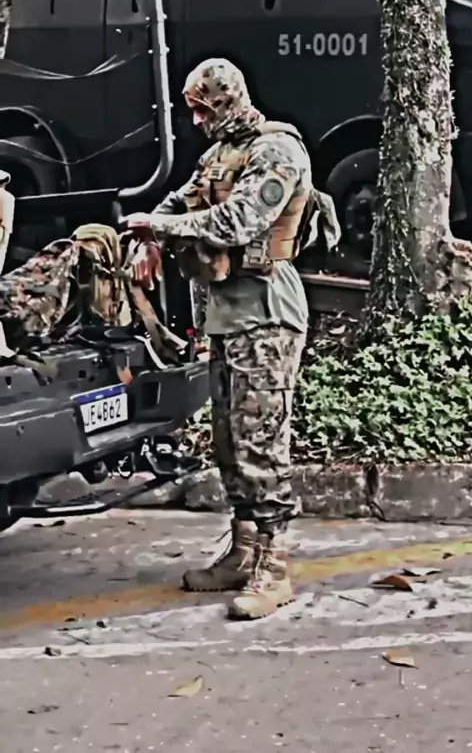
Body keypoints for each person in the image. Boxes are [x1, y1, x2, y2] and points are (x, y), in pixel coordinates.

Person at [123, 57, 312, 620]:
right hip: (228, 316)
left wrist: (161, 229)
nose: (197, 120)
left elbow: (238, 221)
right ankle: (243, 550)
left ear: (227, 100)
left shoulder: (276, 150)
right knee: (229, 438)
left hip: (267, 314)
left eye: (204, 109)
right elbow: (180, 200)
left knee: (261, 440)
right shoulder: (220, 154)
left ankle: (274, 565)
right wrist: (150, 237)